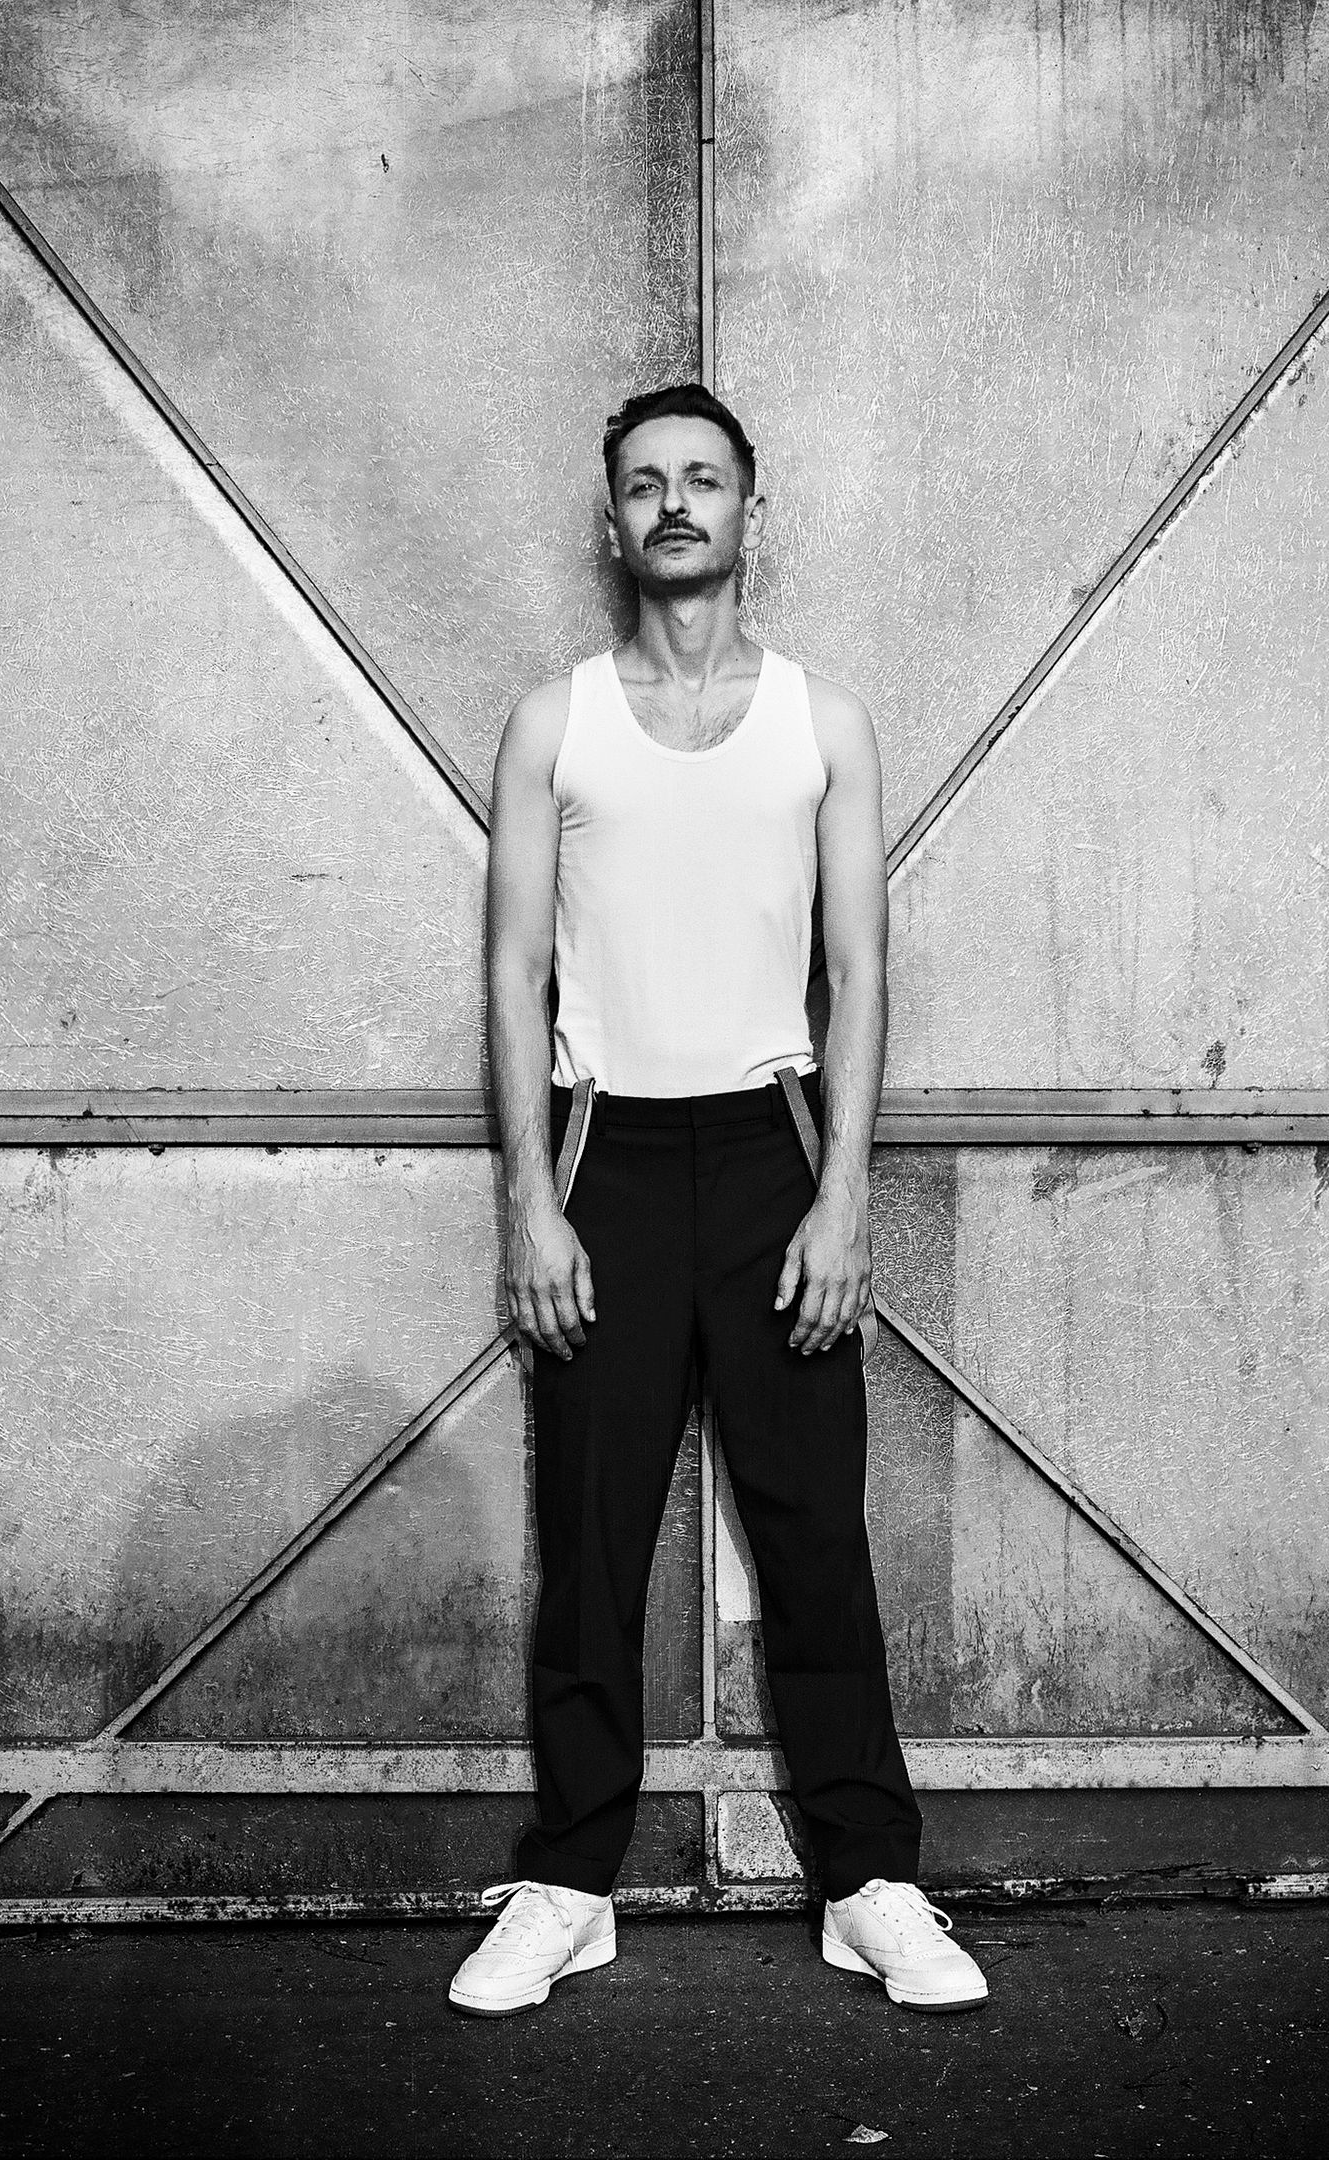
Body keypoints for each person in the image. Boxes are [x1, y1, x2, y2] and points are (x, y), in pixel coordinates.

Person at [448, 382, 986, 2018]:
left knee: (815, 1536)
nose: (673, 503)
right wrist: (531, 1203)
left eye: (702, 479)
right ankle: (570, 1885)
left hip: (772, 1154)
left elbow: (861, 971)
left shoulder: (825, 723)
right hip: (604, 1155)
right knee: (591, 1543)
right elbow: (515, 970)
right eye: (644, 484)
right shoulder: (555, 722)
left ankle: (868, 1883)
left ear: (753, 508)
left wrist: (844, 1199)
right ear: (612, 519)